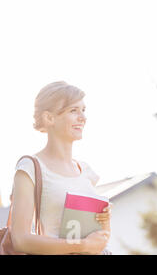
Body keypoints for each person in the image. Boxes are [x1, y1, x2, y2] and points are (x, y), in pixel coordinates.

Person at [10, 81, 111, 255]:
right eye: (73, 110)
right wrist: (81, 245)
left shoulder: (86, 171)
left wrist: (104, 221)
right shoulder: (30, 168)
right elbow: (20, 240)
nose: (83, 117)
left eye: (83, 110)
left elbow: (99, 240)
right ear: (49, 118)